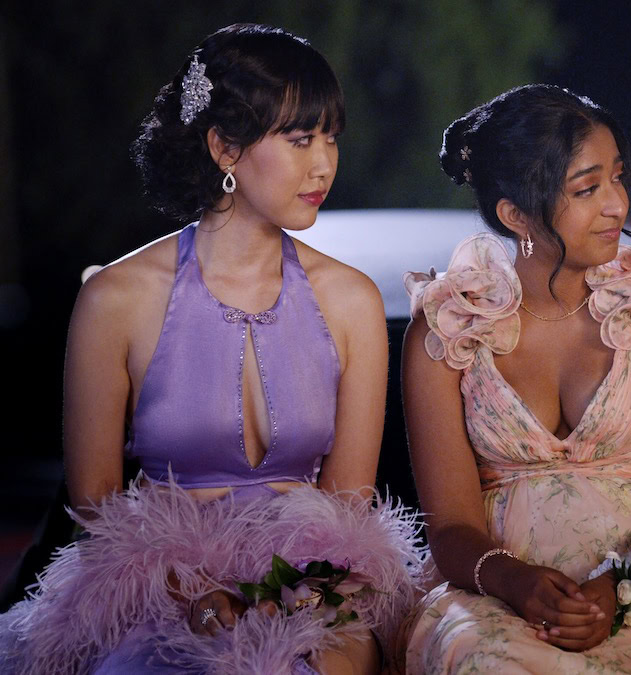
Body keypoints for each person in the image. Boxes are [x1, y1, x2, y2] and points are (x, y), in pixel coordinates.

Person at [0, 24, 424, 674]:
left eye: (331, 137)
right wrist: (191, 592)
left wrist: (279, 598)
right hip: (154, 588)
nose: (324, 164)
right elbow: (95, 502)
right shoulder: (116, 299)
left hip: (313, 589)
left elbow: (348, 505)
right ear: (224, 146)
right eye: (300, 139)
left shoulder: (352, 301)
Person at [400, 84, 631, 673]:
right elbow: (450, 527)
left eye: (617, 178)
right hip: (495, 593)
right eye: (587, 189)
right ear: (515, 215)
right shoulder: (447, 329)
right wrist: (517, 582)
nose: (618, 205)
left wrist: (619, 587)